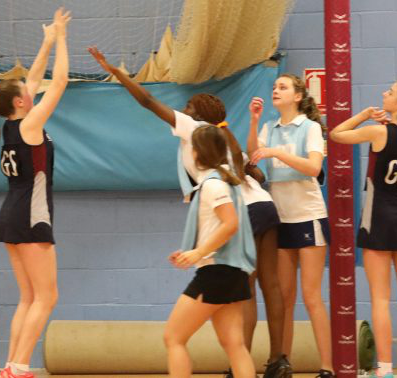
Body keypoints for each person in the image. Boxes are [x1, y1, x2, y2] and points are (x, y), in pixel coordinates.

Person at [86, 47, 288, 378]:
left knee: (179, 335)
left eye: (188, 107)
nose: (183, 110)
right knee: (262, 297)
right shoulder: (225, 141)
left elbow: (147, 101)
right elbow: (258, 175)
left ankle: (254, 363)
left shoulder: (197, 133)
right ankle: (278, 359)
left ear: (199, 121)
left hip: (235, 227)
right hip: (263, 204)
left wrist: (117, 72)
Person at [0, 8, 71, 378]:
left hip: (11, 214)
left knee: (29, 297)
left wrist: (46, 42)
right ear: (20, 102)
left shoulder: (10, 126)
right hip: (31, 215)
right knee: (47, 297)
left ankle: (10, 365)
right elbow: (59, 82)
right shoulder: (30, 125)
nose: (31, 90)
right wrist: (62, 37)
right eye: (25, 93)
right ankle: (18, 367)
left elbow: (32, 80)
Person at [329, 79, 397, 378]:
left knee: (381, 298)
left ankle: (384, 369)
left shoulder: (379, 131)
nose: (384, 93)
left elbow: (336, 134)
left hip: (379, 217)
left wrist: (363, 115)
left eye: (390, 91)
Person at [247, 73, 334, 378]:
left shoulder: (310, 128)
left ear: (298, 96)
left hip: (308, 216)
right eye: (274, 87)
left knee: (311, 297)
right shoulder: (269, 127)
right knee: (284, 298)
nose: (276, 90)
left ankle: (327, 367)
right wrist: (254, 122)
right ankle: (282, 363)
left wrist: (278, 152)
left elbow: (313, 167)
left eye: (282, 87)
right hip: (280, 220)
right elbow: (253, 158)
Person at [165, 124, 256, 378]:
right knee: (234, 345)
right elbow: (220, 227)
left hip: (217, 273)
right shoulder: (227, 181)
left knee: (173, 338)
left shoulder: (214, 185)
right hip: (233, 272)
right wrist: (191, 250)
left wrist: (198, 253)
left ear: (196, 152)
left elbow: (230, 224)